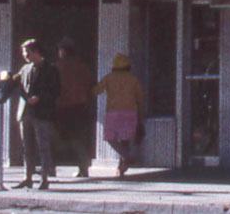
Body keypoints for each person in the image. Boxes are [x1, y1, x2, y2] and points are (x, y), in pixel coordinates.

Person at [12, 38, 60, 190]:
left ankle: (45, 178)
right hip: (25, 112)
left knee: (43, 145)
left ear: (35, 51)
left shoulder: (50, 68)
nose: (24, 55)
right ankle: (27, 177)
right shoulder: (25, 69)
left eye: (26, 52)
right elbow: (16, 82)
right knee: (26, 146)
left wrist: (39, 98)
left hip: (41, 112)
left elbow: (56, 90)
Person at [93, 53, 144, 177]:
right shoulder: (133, 79)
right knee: (125, 140)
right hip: (130, 112)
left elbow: (96, 90)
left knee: (110, 138)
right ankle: (122, 167)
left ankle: (126, 158)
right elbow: (140, 97)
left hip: (113, 112)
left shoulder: (108, 78)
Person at [54, 37, 93, 178]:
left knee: (57, 138)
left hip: (62, 106)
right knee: (79, 138)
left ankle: (52, 167)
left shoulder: (58, 67)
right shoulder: (82, 67)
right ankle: (83, 168)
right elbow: (89, 85)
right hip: (80, 105)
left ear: (63, 51)